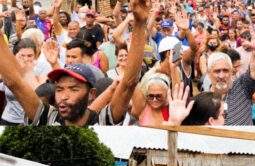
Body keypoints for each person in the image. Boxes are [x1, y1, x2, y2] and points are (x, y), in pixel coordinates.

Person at [0, 0, 150, 126]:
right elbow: (15, 83)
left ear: (91, 94)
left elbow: (128, 84)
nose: (63, 97)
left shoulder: (101, 122)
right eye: (59, 89)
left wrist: (140, 22)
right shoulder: (47, 119)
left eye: (73, 89)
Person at [207, 23, 255, 125]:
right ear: (209, 73)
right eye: (217, 71)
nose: (221, 76)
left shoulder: (242, 86)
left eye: (225, 70)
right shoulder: (203, 100)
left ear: (232, 71)